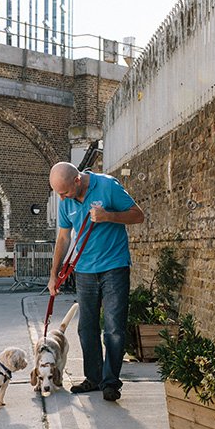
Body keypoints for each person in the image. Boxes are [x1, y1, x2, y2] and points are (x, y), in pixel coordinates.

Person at [47, 162, 144, 402]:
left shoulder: (107, 186)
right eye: (58, 193)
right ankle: (94, 378)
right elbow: (63, 238)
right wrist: (54, 275)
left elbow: (138, 215)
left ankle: (111, 382)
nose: (62, 197)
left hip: (114, 267)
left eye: (65, 191)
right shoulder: (65, 201)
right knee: (86, 327)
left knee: (113, 328)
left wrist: (108, 216)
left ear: (77, 180)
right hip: (84, 270)